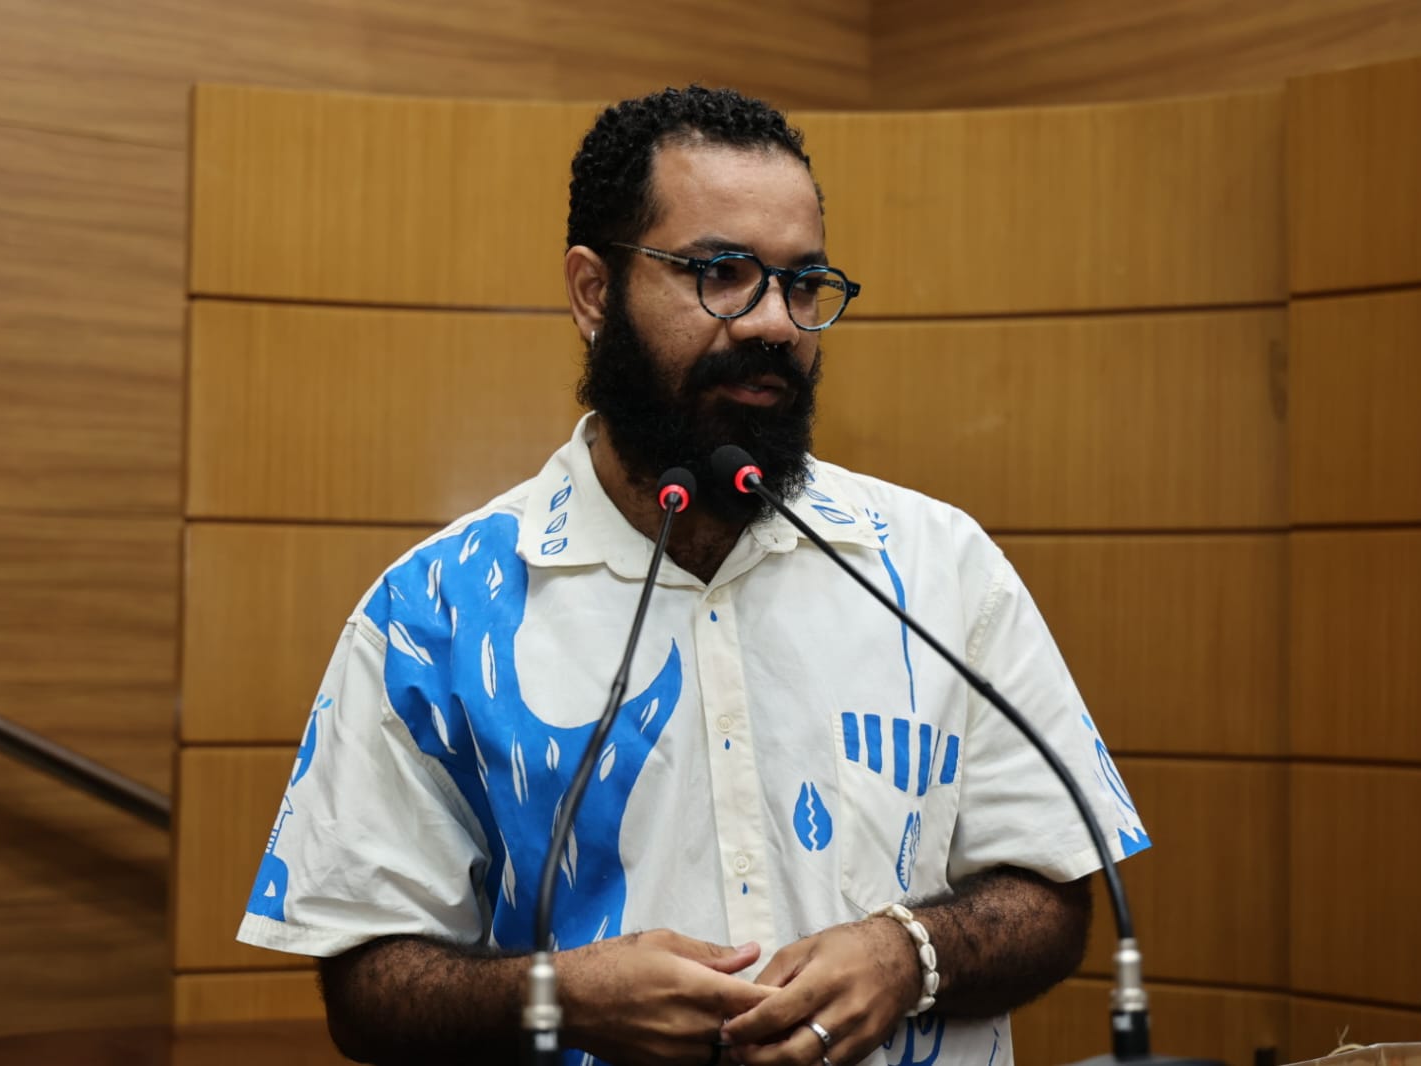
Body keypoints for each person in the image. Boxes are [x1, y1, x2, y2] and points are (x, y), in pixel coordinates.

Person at [237, 85, 1151, 1066]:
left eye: (804, 284)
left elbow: (1053, 893)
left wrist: (909, 952)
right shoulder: (433, 613)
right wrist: (559, 997)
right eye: (722, 274)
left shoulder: (940, 568)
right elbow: (365, 987)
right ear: (594, 292)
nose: (774, 323)